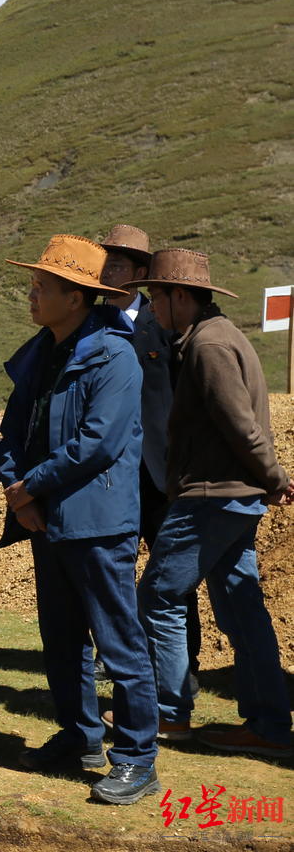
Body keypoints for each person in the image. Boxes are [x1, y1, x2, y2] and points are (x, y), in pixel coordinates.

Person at [0, 234, 159, 806]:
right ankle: (79, 735)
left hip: (98, 521)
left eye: (42, 288)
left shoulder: (116, 356)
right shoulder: (42, 351)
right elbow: (13, 429)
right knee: (62, 640)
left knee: (118, 644)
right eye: (34, 285)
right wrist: (18, 491)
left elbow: (97, 443)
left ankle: (137, 758)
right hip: (47, 519)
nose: (32, 296)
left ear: (76, 297)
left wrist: (28, 488)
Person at [130, 249, 292, 759]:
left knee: (157, 595)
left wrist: (274, 476)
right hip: (229, 497)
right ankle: (267, 724)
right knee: (241, 610)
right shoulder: (217, 338)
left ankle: (169, 712)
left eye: (156, 296)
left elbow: (239, 424)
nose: (153, 307)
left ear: (180, 296)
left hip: (212, 495)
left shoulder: (209, 346)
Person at [97, 226, 197, 690]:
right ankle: (109, 653)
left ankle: (182, 664)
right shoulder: (90, 323)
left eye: (117, 265)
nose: (108, 271)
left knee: (170, 572)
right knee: (111, 567)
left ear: (139, 274)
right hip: (110, 472)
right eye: (105, 263)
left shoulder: (163, 327)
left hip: (160, 472)